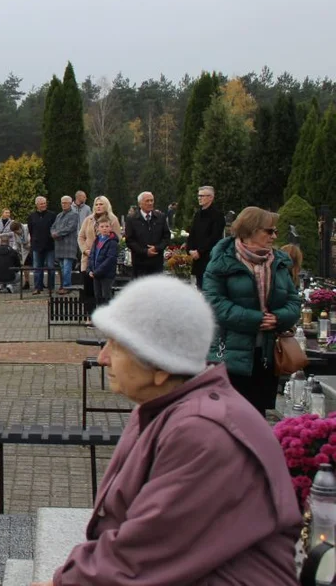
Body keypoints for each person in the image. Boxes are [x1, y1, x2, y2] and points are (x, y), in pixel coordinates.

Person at [38, 275, 300, 586]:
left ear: (161, 367)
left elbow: (143, 554)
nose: (102, 358)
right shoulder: (164, 407)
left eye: (116, 346)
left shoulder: (203, 432)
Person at [203, 207, 300, 414]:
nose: (274, 236)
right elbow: (214, 302)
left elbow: (293, 301)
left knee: (256, 418)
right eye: (269, 231)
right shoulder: (222, 261)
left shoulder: (279, 262)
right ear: (250, 231)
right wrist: (255, 319)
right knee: (227, 417)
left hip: (266, 354)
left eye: (275, 231)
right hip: (229, 354)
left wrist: (278, 318)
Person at [124, 191, 171, 278]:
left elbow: (166, 237)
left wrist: (157, 248)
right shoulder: (132, 219)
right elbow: (129, 240)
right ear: (140, 204)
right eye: (147, 201)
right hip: (139, 264)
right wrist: (145, 251)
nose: (150, 203)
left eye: (152, 200)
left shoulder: (160, 217)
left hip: (156, 263)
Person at [186, 185, 224, 289]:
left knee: (209, 287)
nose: (199, 198)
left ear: (211, 197)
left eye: (203, 196)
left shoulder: (217, 215)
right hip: (197, 257)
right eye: (199, 195)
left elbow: (214, 237)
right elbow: (192, 233)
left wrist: (200, 251)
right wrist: (190, 249)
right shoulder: (198, 214)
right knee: (199, 287)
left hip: (209, 256)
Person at [76, 196, 121, 274]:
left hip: (104, 261)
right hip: (88, 260)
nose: (98, 206)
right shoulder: (88, 219)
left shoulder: (113, 220)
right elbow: (81, 237)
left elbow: (116, 238)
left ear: (106, 205)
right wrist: (85, 250)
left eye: (101, 204)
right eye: (96, 204)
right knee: (88, 285)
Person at [50, 195, 80, 294]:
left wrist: (57, 233)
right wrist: (53, 233)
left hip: (69, 245)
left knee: (67, 267)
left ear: (71, 203)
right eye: (62, 203)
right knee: (62, 267)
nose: (64, 204)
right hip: (59, 245)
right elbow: (53, 226)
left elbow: (70, 227)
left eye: (66, 202)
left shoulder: (74, 214)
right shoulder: (59, 215)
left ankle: (67, 286)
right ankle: (64, 285)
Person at [27, 196, 56, 295]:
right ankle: (37, 287)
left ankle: (51, 287)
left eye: (44, 203)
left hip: (49, 245)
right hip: (37, 245)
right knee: (37, 268)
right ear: (37, 205)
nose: (43, 205)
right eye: (41, 204)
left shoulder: (52, 215)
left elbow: (54, 228)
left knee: (51, 267)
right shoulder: (31, 216)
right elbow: (31, 230)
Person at [88, 217, 119, 306]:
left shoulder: (112, 242)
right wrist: (90, 269)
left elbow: (110, 259)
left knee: (106, 296)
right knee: (98, 296)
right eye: (102, 226)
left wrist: (98, 271)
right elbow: (92, 255)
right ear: (98, 228)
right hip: (95, 273)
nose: (104, 228)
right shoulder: (97, 240)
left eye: (107, 226)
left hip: (106, 274)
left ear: (110, 228)